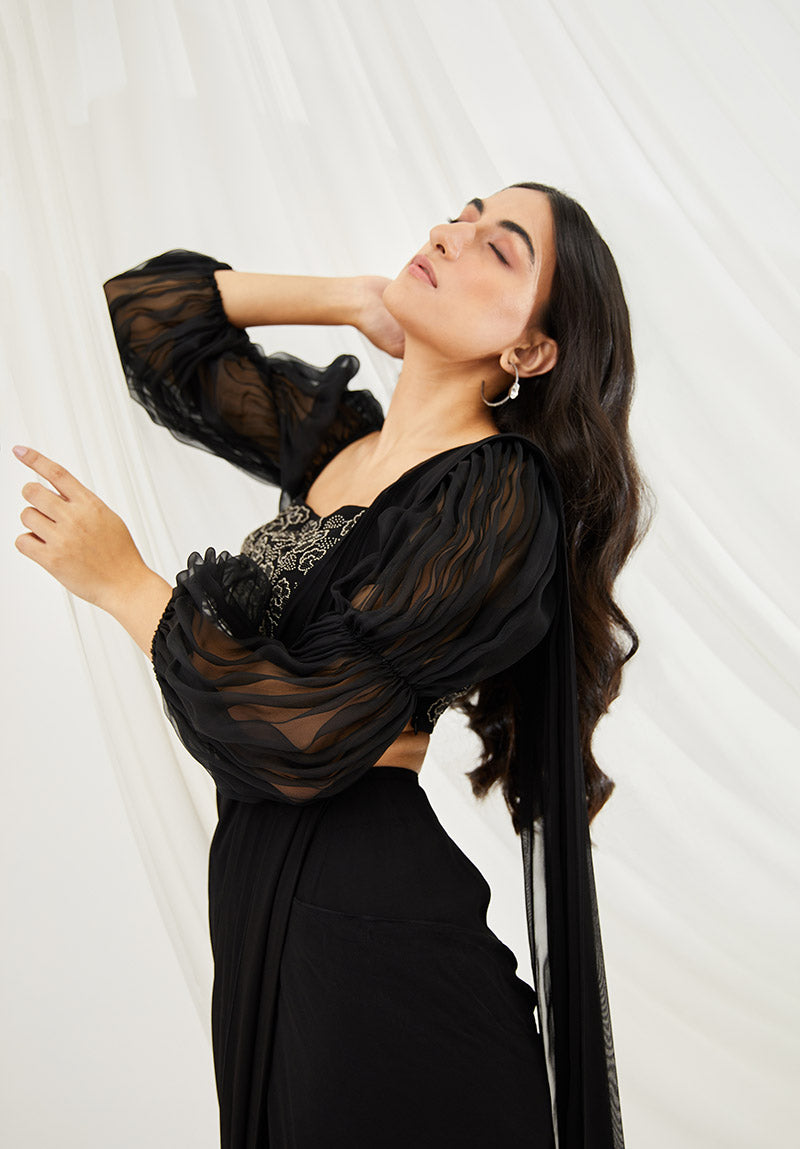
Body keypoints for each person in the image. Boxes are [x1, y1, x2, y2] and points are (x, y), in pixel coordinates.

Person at [13, 182, 652, 1148]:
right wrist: (353, 299)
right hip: (273, 898)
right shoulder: (338, 443)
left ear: (529, 351)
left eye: (499, 248)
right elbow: (146, 312)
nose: (452, 235)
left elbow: (297, 731)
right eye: (463, 216)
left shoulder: (496, 493)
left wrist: (126, 586)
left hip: (371, 930)